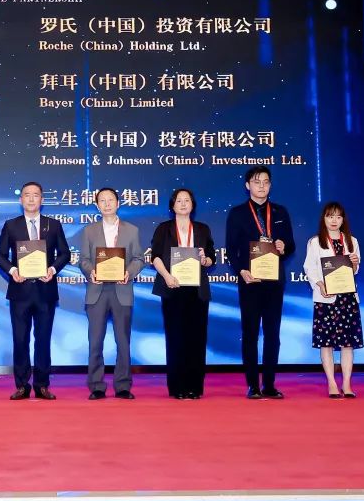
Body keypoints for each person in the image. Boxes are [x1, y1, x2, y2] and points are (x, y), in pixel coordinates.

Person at [225, 166, 296, 399]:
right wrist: (242, 271)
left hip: (274, 281)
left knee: (273, 334)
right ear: (248, 185)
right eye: (257, 182)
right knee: (251, 333)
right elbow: (231, 250)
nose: (262, 186)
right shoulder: (237, 213)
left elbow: (291, 245)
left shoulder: (280, 211)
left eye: (266, 182)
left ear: (270, 185)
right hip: (250, 281)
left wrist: (284, 247)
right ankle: (253, 385)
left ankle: (270, 384)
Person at [0, 182, 70, 400]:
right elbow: (0, 255)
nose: (31, 199)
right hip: (20, 291)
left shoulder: (53, 225)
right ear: (21, 200)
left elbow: (64, 253)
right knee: (20, 340)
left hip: (46, 291)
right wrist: (13, 270)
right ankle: (21, 385)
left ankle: (42, 385)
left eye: (35, 195)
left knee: (43, 339)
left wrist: (53, 269)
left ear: (42, 200)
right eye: (27, 195)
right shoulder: (11, 225)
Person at [79, 188, 146, 400]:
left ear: (118, 203)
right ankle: (96, 386)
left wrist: (129, 272)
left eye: (111, 200)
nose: (107, 204)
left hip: (122, 289)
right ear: (97, 205)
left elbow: (139, 259)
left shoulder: (132, 230)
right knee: (95, 341)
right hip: (97, 291)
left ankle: (123, 385)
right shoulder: (89, 231)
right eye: (102, 201)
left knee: (123, 341)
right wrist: (91, 271)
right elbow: (83, 260)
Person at [150, 188, 216, 399]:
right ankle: (177, 387)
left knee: (197, 338)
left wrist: (205, 259)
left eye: (187, 200)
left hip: (197, 290)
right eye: (179, 200)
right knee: (176, 338)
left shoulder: (202, 229)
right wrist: (167, 276)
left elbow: (211, 258)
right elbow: (155, 256)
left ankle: (195, 387)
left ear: (193, 204)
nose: (183, 203)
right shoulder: (164, 228)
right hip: (173, 287)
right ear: (172, 205)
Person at [303, 202, 363, 398]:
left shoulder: (352, 241)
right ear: (324, 219)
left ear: (343, 219)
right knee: (326, 343)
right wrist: (320, 285)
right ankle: (331, 383)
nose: (334, 220)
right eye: (330, 216)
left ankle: (347, 384)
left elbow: (355, 270)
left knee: (348, 344)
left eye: (338, 216)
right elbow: (309, 268)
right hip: (326, 298)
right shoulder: (315, 242)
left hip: (347, 298)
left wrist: (355, 264)